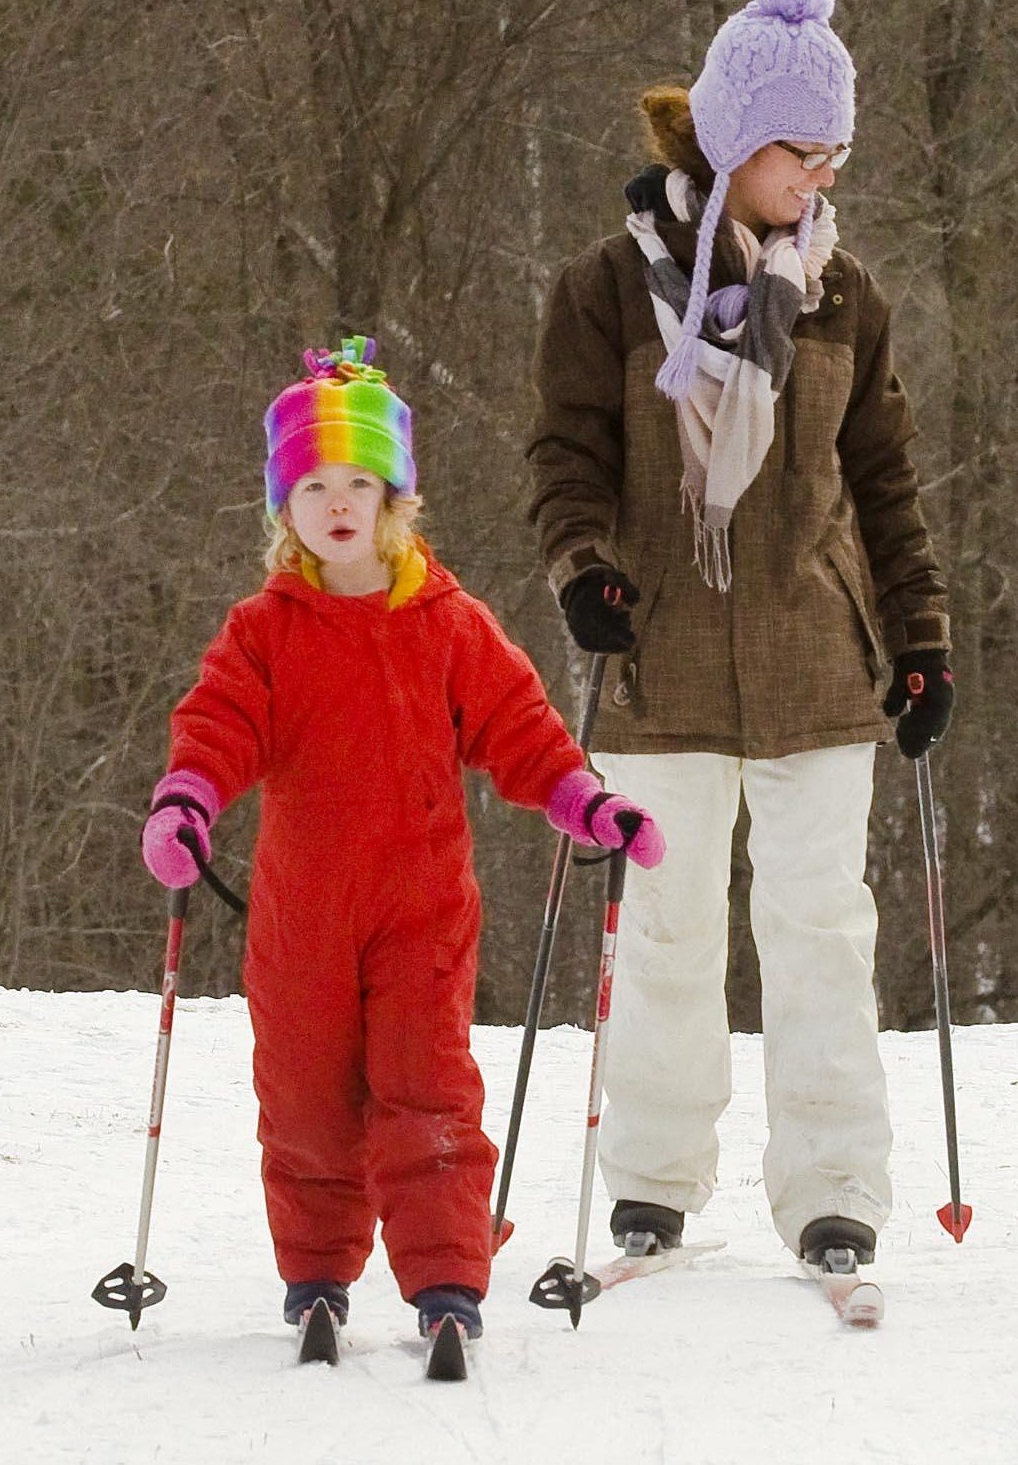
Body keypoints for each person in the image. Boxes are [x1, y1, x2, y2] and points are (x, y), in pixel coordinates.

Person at [523, 0, 952, 1276]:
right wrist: (582, 568)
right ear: (727, 141)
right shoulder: (608, 288)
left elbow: (882, 480)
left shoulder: (841, 294)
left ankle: (834, 1185)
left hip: (816, 659)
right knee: (664, 929)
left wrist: (922, 638)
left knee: (824, 926)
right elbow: (565, 457)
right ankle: (653, 1175)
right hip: (657, 662)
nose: (816, 178)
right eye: (793, 151)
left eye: (833, 153)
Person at [142, 339, 665, 1356]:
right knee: (304, 1097)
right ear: (285, 510)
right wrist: (187, 803)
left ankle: (444, 1283)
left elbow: (520, 729)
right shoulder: (265, 631)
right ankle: (318, 1274)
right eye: (314, 487)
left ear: (395, 499)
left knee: (427, 1091)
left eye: (360, 484)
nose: (338, 504)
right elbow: (217, 726)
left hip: (422, 909)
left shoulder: (447, 622)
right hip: (304, 913)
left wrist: (587, 801)